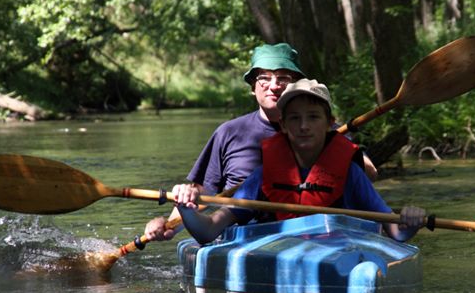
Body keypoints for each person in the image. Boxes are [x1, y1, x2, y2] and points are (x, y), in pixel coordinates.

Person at [145, 43, 377, 242]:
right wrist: (170, 224)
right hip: (245, 235)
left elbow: (368, 174)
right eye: (264, 78)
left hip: (319, 235)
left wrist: (330, 150)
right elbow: (203, 193)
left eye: (283, 78)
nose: (274, 85)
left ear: (296, 83)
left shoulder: (326, 132)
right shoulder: (229, 132)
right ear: (253, 87)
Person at [172, 78, 425, 245]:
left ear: (329, 124)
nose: (304, 126)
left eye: (313, 117)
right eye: (294, 118)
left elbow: (395, 232)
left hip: (342, 255)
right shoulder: (263, 175)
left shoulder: (350, 173)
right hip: (280, 256)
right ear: (283, 126)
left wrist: (410, 223)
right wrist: (186, 209)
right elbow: (208, 231)